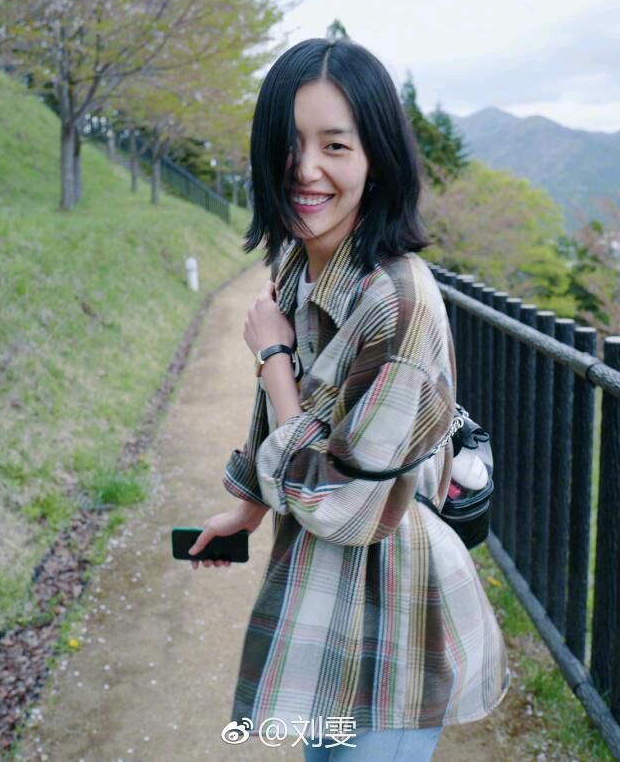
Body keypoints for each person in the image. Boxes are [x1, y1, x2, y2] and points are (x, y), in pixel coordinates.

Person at [188, 37, 510, 761]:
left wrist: (272, 358)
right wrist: (248, 506)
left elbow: (349, 503)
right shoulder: (301, 259)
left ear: (376, 159)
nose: (305, 169)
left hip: (395, 619)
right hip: (325, 603)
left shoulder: (398, 303)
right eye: (289, 143)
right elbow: (291, 413)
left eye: (335, 145)